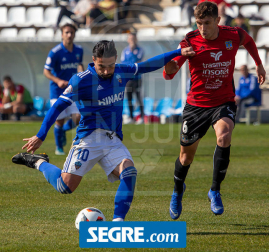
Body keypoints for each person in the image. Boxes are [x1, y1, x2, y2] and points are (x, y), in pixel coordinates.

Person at [12, 40, 195, 222]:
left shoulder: (122, 71)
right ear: (93, 60)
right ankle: (39, 163)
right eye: (102, 67)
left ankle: (117, 223)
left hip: (112, 139)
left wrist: (177, 53)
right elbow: (58, 106)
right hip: (88, 138)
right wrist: (41, 135)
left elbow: (148, 65)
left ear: (115, 59)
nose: (107, 71)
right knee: (64, 186)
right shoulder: (81, 80)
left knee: (129, 172)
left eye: (110, 66)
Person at [163, 1, 266, 219]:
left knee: (224, 135)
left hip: (223, 102)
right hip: (196, 105)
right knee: (185, 158)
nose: (202, 28)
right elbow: (171, 70)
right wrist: (170, 67)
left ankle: (215, 190)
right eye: (199, 23)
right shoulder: (190, 40)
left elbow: (248, 41)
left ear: (218, 21)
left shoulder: (233, 35)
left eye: (207, 23)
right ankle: (177, 191)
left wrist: (258, 63)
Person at [44, 23, 83, 155]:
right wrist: (58, 80)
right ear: (62, 34)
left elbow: (79, 65)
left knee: (77, 117)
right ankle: (59, 147)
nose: (69, 35)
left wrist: (82, 74)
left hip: (72, 90)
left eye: (71, 32)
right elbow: (46, 71)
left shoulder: (79, 50)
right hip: (57, 91)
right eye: (67, 32)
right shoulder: (55, 53)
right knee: (59, 120)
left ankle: (64, 132)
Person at [121, 32, 144, 124]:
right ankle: (131, 117)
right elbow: (123, 63)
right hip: (128, 79)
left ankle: (142, 117)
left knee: (138, 97)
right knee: (129, 98)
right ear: (128, 40)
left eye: (133, 39)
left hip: (137, 78)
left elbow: (138, 61)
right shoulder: (125, 51)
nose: (132, 41)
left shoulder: (139, 50)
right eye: (130, 39)